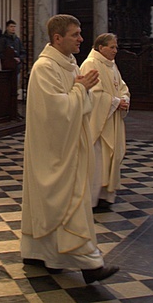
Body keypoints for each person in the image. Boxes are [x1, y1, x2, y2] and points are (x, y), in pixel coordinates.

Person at [21, 14, 119, 284]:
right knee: (68, 200)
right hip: (53, 149)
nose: (81, 39)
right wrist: (80, 91)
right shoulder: (44, 68)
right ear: (57, 38)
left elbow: (79, 104)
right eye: (75, 34)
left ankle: (42, 253)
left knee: (62, 201)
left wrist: (83, 92)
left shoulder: (69, 64)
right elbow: (54, 112)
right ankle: (89, 264)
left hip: (69, 145)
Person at [80, 33, 130, 212]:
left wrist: (123, 99)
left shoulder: (111, 65)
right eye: (112, 47)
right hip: (98, 123)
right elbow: (92, 94)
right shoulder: (91, 64)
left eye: (116, 47)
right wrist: (116, 102)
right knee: (98, 160)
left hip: (111, 119)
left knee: (112, 157)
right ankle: (92, 200)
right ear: (101, 48)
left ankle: (105, 196)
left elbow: (122, 86)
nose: (115, 50)